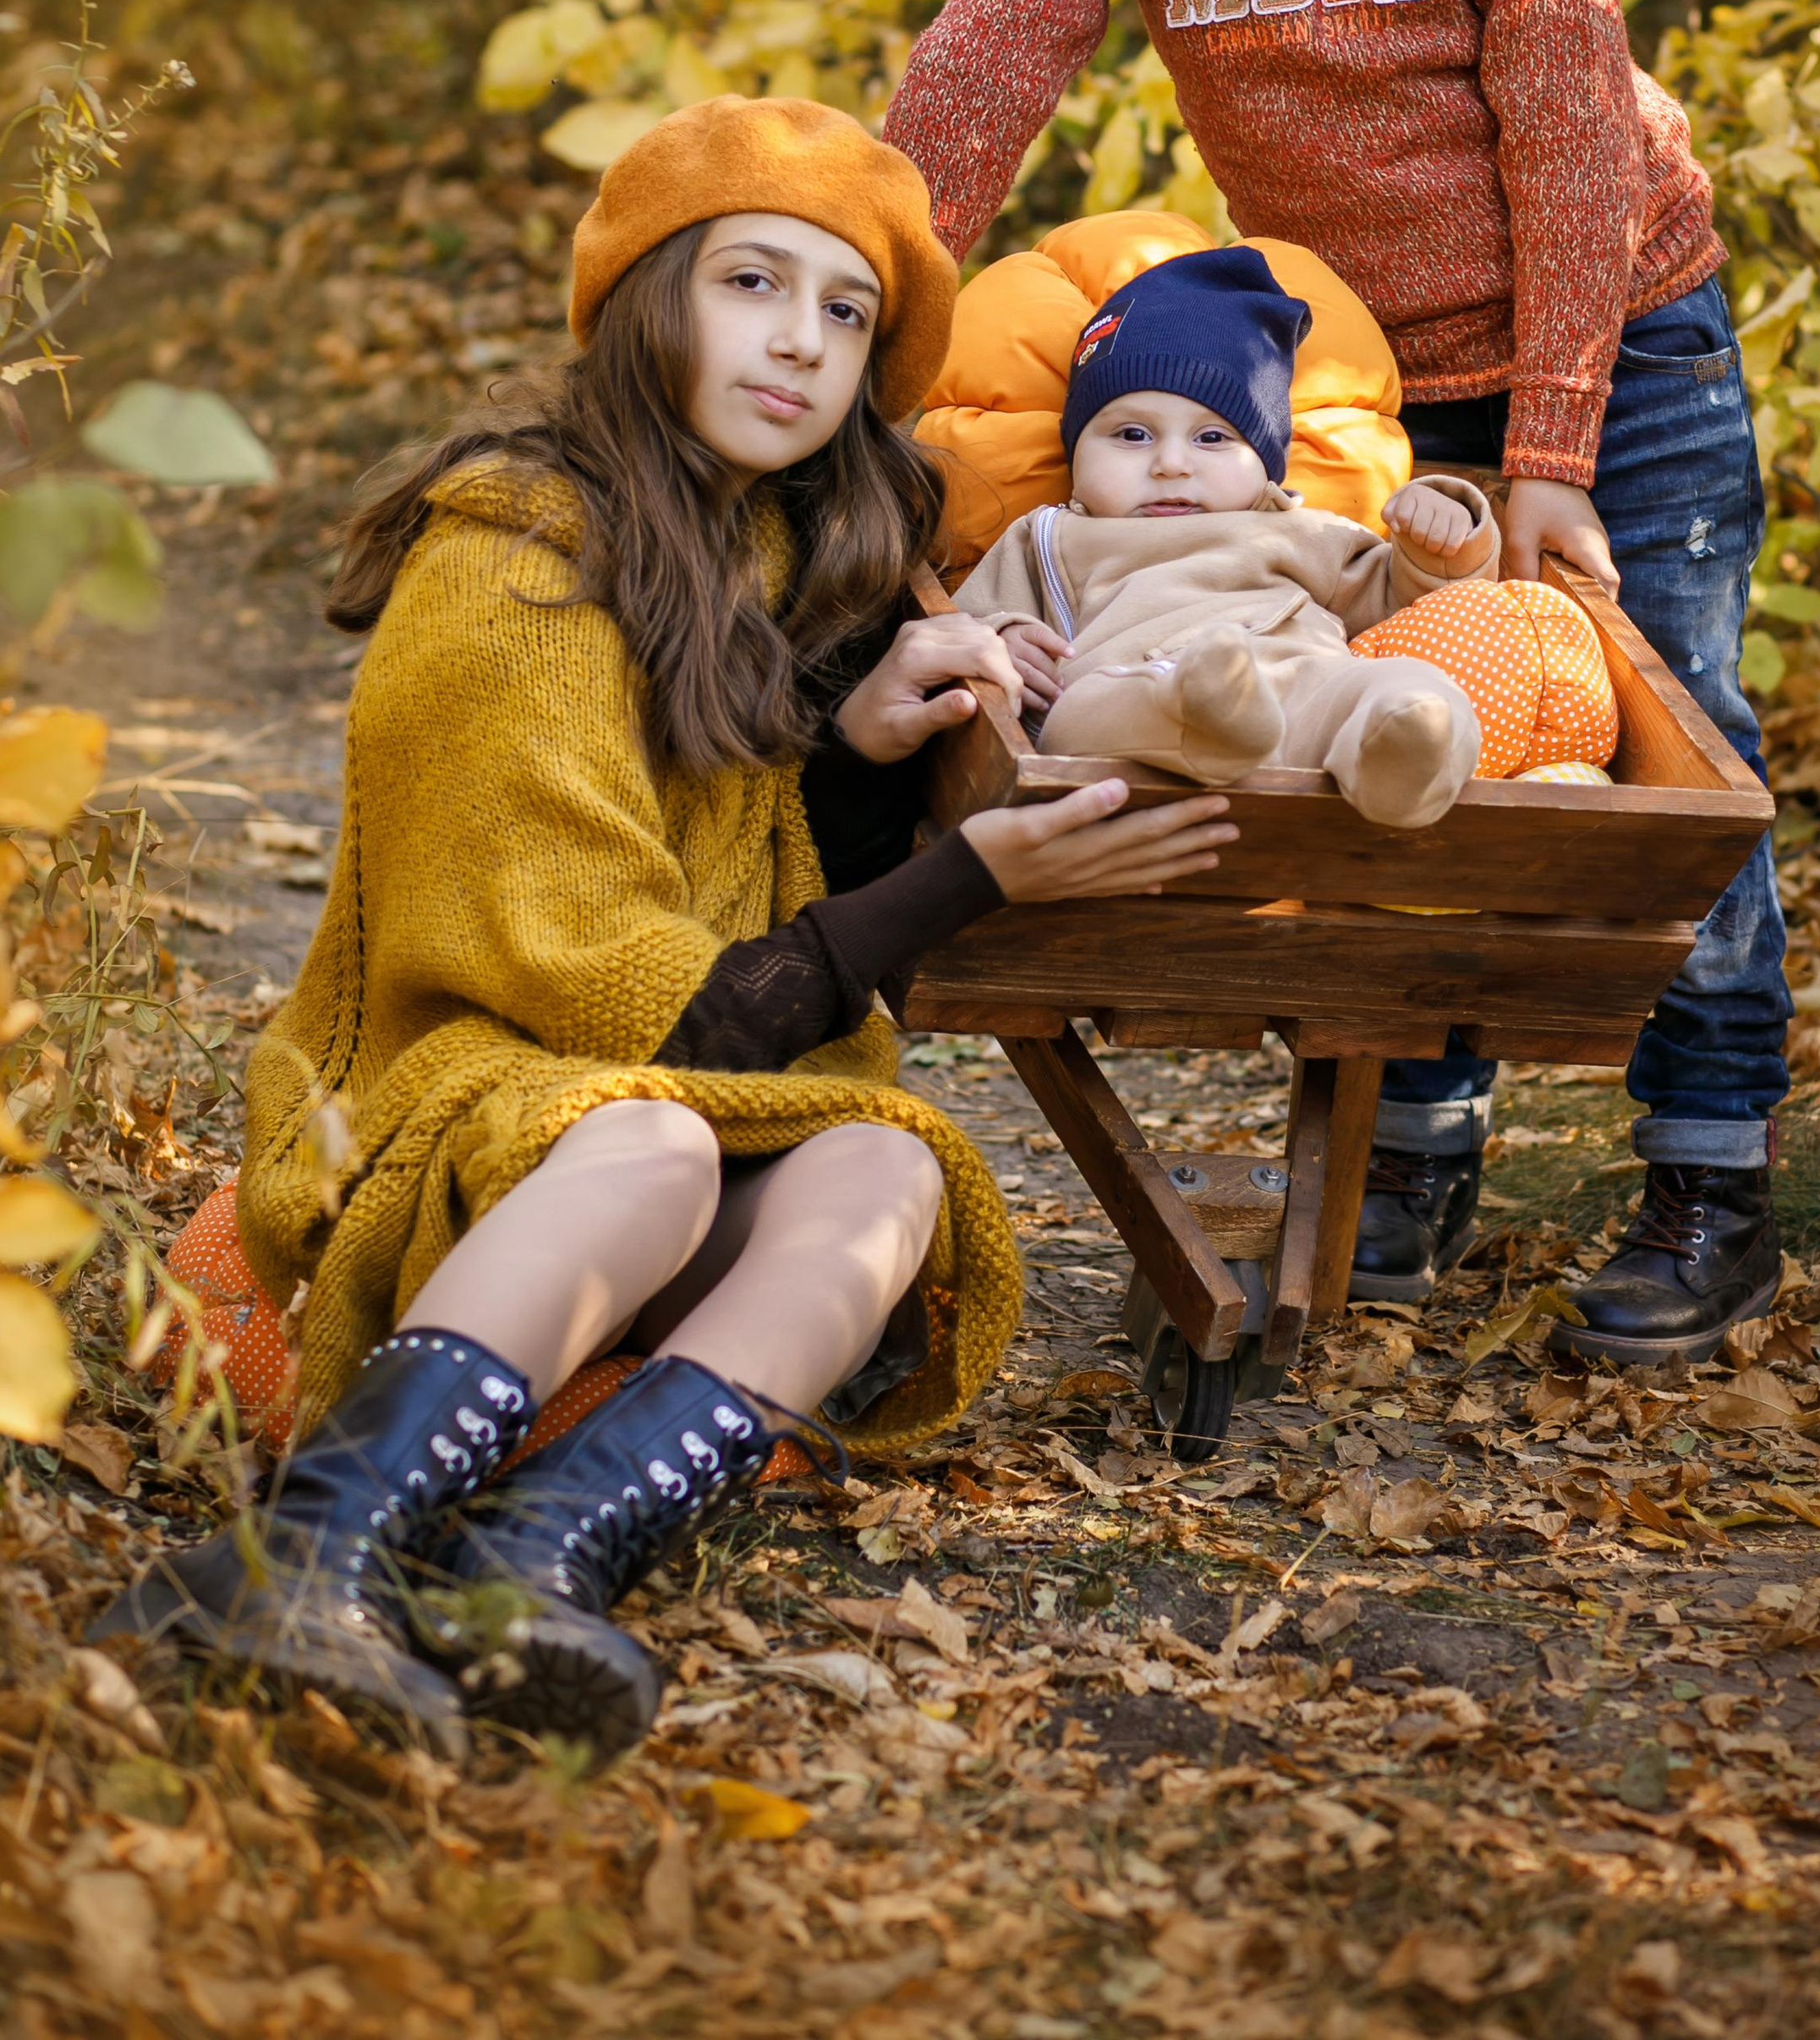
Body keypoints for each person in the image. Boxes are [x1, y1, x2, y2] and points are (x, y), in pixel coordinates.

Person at [98, 96, 1236, 1762]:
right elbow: (648, 1006)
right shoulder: (513, 573)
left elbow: (748, 890)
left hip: (608, 1121)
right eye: (751, 283)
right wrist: (974, 874)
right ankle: (299, 1557)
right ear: (645, 298)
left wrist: (854, 746)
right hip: (442, 1104)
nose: (801, 341)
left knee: (885, 1173)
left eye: (845, 313)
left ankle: (536, 1562)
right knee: (654, 1146)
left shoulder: (756, 551)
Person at [885, 0, 1789, 1366]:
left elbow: (1567, 138)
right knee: (1394, 730)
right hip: (1362, 383)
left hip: (1613, 340)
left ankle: (1708, 1169)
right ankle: (1408, 1146)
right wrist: (857, 306)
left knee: (1662, 740)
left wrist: (1550, 444)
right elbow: (981, 69)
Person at [948, 245, 1502, 825]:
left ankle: (1404, 750)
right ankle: (1198, 714)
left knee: (1403, 686)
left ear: (1266, 465)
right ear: (1076, 450)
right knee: (1080, 715)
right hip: (1131, 701)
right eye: (1133, 435)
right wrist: (1003, 636)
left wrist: (1437, 540)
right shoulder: (1047, 538)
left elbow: (1409, 604)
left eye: (1212, 439)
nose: (1171, 464)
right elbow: (960, 625)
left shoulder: (1302, 530)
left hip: (1301, 687)